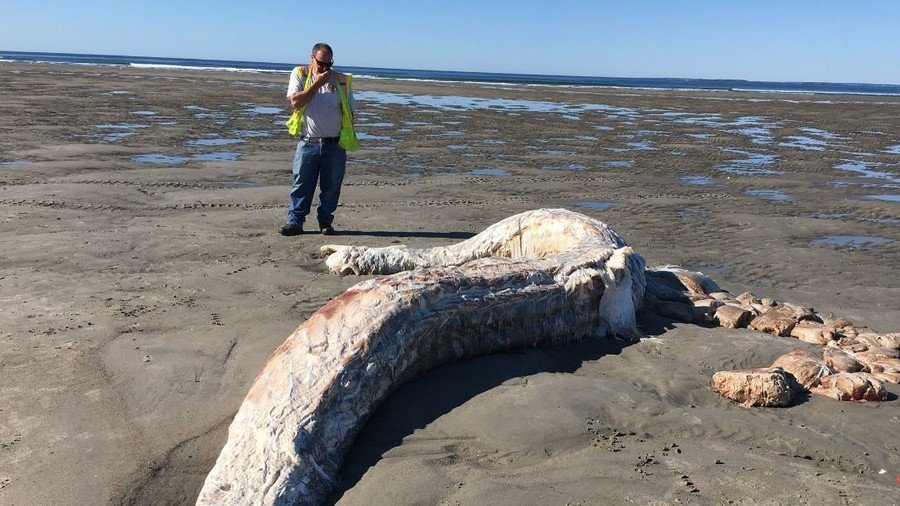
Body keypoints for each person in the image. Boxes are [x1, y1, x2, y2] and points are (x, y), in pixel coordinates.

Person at [280, 42, 355, 236]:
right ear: (312, 58)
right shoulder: (301, 73)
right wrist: (317, 83)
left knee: (331, 186)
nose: (325, 68)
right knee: (301, 184)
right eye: (321, 63)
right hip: (308, 142)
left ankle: (325, 221)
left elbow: (350, 110)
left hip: (335, 143)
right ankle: (295, 221)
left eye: (328, 64)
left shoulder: (342, 80)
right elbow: (296, 101)